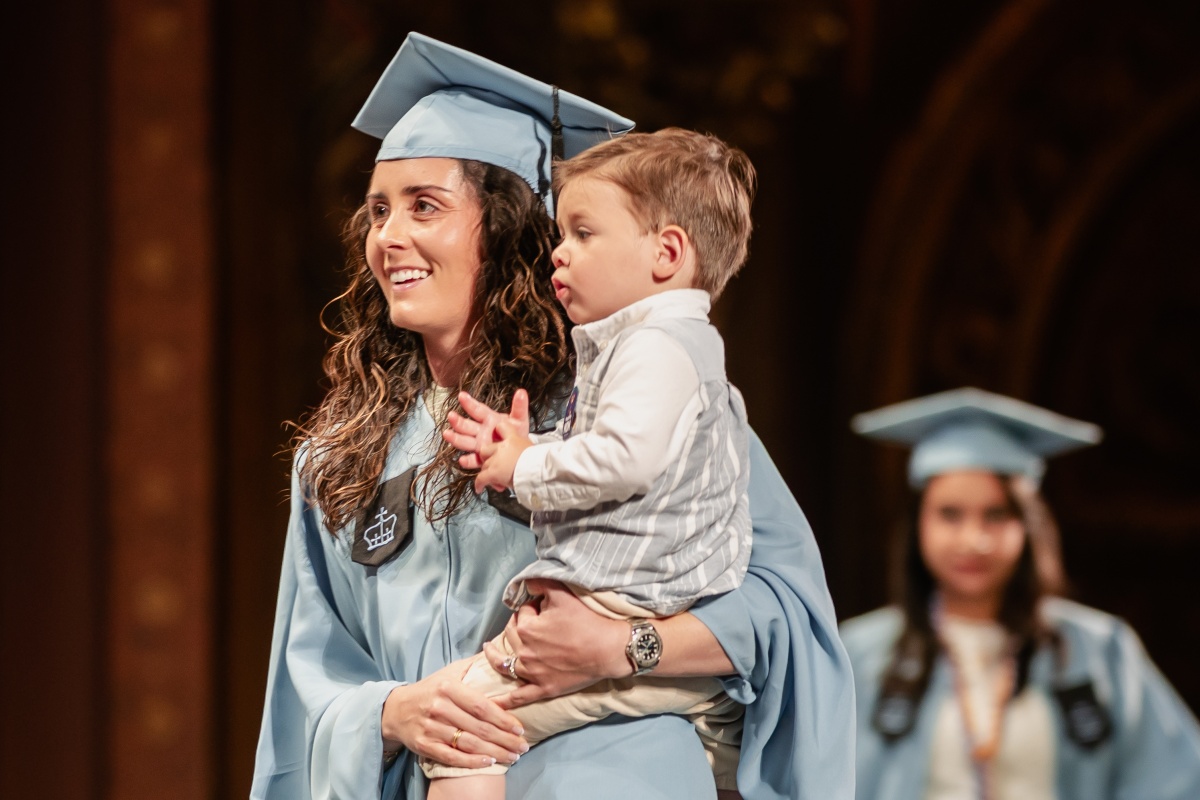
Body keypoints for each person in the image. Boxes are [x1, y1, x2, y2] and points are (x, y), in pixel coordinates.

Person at [250, 31, 856, 800]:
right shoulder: (341, 458)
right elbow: (306, 686)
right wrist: (396, 710)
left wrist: (620, 646)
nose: (388, 237)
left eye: (424, 207)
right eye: (377, 211)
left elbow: (783, 614)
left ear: (508, 232)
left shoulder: (636, 407)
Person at [429, 127, 757, 799]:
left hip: (625, 602)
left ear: (667, 252)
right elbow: (627, 455)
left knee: (464, 726)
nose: (560, 253)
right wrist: (528, 449)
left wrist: (523, 465)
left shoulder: (654, 346)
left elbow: (623, 461)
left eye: (583, 233)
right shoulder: (669, 348)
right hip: (660, 611)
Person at [840, 386, 1200, 800]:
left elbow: (1175, 782)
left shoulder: (1101, 651)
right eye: (950, 514)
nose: (973, 540)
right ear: (918, 525)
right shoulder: (859, 655)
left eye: (996, 515)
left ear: (1028, 526)